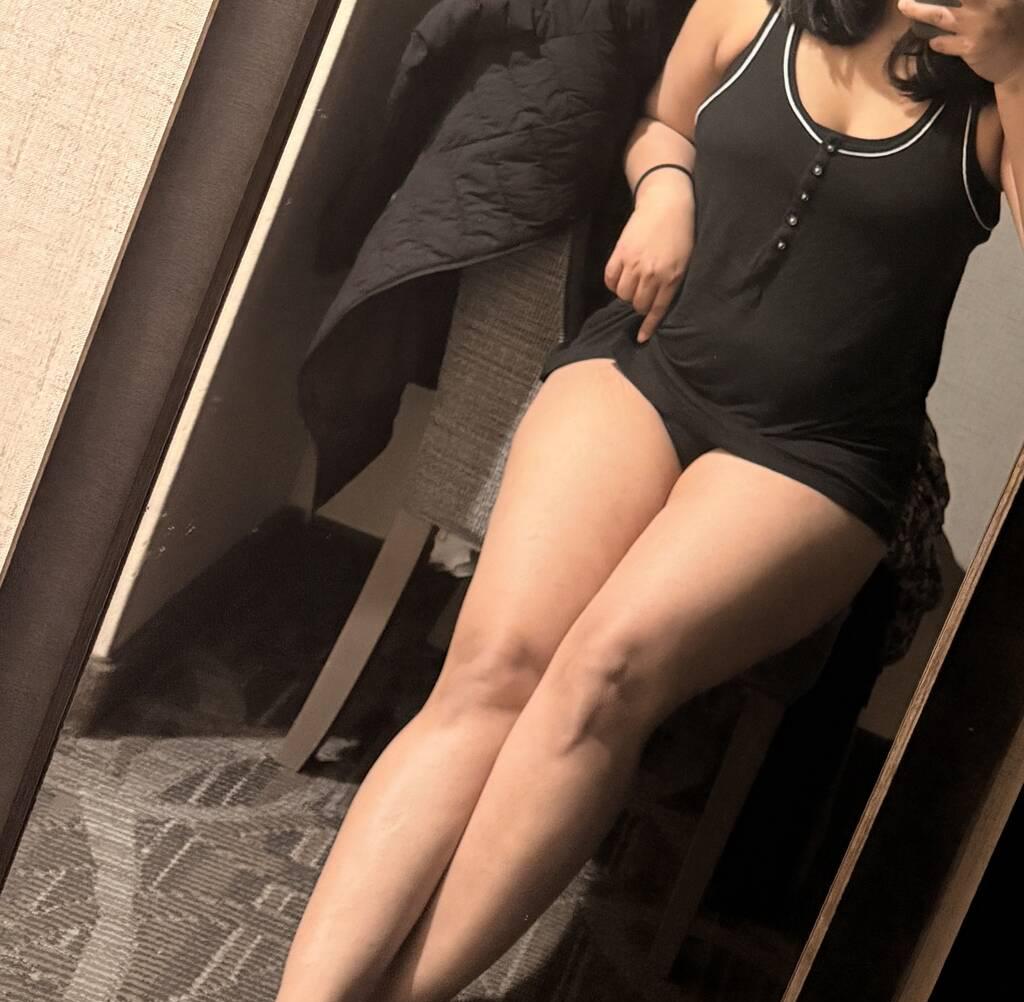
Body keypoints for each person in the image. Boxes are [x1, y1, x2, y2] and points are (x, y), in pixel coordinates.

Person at [274, 2, 1023, 1000]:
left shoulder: (996, 91)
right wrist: (665, 187)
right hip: (645, 366)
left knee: (601, 677)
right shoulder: (752, 6)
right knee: (494, 665)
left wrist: (1014, 66)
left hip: (816, 452)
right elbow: (664, 122)